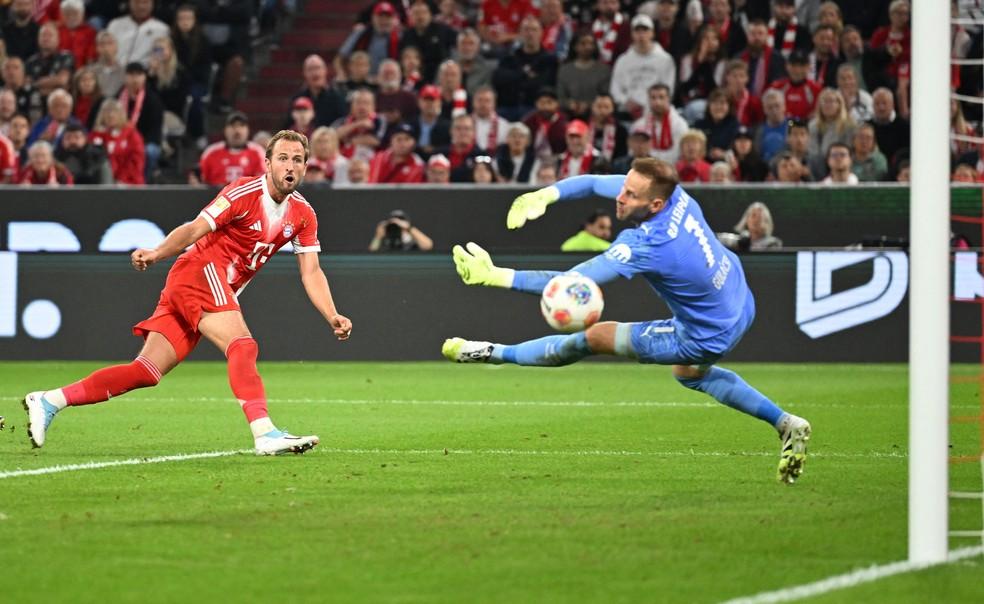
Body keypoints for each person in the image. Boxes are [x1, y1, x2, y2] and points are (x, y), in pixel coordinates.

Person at [442, 159, 812, 484]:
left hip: (707, 332)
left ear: (654, 204)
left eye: (630, 195)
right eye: (624, 188)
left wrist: (497, 276)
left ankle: (490, 352)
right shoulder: (674, 194)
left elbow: (570, 285)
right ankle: (786, 424)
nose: (620, 198)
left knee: (594, 337)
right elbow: (590, 183)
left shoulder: (646, 243)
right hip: (739, 297)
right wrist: (545, 195)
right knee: (690, 374)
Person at [23, 130, 352, 456]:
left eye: (297, 160)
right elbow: (195, 228)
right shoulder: (243, 193)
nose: (289, 166)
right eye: (282, 158)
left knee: (145, 372)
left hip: (207, 286)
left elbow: (311, 270)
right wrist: (157, 252)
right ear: (267, 163)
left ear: (306, 166)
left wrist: (332, 314)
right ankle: (264, 433)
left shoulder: (303, 214)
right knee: (242, 345)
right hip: (198, 272)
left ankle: (50, 400)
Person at [609, 14, 676, 118]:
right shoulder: (622, 60)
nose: (641, 34)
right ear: (632, 34)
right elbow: (615, 89)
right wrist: (626, 102)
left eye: (645, 30)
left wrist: (650, 105)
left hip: (656, 111)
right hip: (627, 112)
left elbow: (669, 89)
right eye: (637, 31)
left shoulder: (665, 60)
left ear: (652, 33)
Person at [197, 111, 266, 186]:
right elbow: (202, 182)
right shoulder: (211, 153)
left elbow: (263, 182)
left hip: (250, 196)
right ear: (225, 130)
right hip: (216, 196)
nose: (237, 130)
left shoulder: (257, 152)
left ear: (248, 130)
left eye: (241, 126)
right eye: (233, 126)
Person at [369, 209, 433, 251]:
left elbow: (428, 246)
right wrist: (378, 236)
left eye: (400, 221)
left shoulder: (412, 240)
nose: (397, 224)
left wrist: (409, 228)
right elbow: (372, 252)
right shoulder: (387, 240)